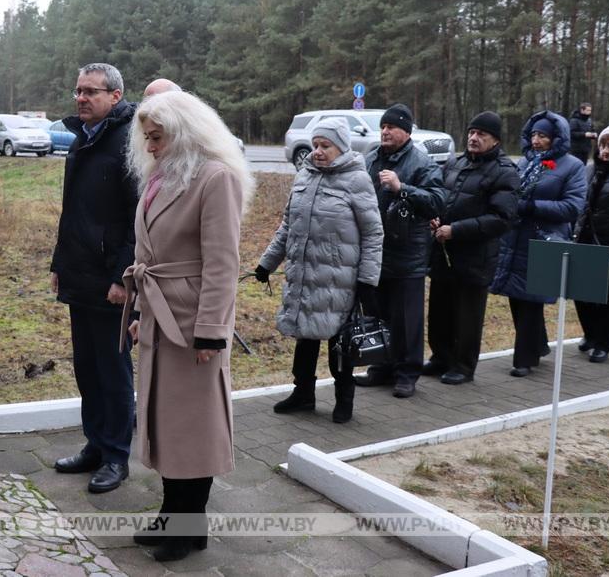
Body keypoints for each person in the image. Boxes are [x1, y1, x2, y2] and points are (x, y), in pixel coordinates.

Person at [122, 91, 253, 562]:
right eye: (147, 139)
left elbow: (222, 263)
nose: (150, 147)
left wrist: (212, 331)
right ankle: (171, 512)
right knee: (166, 425)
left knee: (193, 429)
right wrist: (140, 314)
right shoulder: (161, 177)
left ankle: (189, 523)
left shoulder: (216, 178)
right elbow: (146, 253)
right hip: (160, 318)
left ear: (185, 132)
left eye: (158, 138)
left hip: (193, 323)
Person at [254, 118, 383, 423]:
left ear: (341, 147)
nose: (318, 151)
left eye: (325, 146)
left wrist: (367, 280)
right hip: (304, 275)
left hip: (340, 278)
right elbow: (288, 226)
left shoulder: (357, 180)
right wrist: (266, 263)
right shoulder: (304, 176)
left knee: (339, 343)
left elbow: (373, 233)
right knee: (305, 338)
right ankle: (303, 395)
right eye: (315, 145)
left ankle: (344, 399)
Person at [50, 63, 138, 493]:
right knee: (86, 367)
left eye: (91, 92)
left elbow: (135, 218)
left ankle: (117, 456)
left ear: (115, 96)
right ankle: (95, 445)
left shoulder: (128, 141)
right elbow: (73, 212)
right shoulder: (83, 139)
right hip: (79, 274)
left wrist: (123, 278)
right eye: (78, 90)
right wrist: (58, 264)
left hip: (111, 283)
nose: (81, 98)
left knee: (113, 370)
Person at [355, 104, 446, 398]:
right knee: (378, 314)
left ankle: (407, 373)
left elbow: (436, 202)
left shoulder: (422, 163)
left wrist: (401, 187)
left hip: (408, 254)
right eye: (383, 126)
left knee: (407, 319)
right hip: (374, 252)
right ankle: (380, 367)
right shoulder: (370, 159)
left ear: (406, 131)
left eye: (392, 126)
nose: (385, 131)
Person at [422, 112, 519, 384]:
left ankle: (463, 366)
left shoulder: (505, 171)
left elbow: (502, 219)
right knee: (440, 310)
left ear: (495, 140)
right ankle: (441, 357)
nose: (474, 139)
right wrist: (436, 217)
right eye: (471, 133)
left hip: (475, 256)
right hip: (444, 252)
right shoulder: (456, 163)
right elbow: (443, 196)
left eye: (481, 135)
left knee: (467, 315)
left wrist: (457, 230)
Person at [490, 111, 586, 376]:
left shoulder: (572, 166)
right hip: (515, 238)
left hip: (544, 240)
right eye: (533, 134)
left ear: (556, 138)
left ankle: (524, 359)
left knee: (530, 299)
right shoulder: (524, 163)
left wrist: (531, 206)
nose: (536, 140)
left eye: (543, 135)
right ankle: (538, 345)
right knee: (517, 297)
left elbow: (572, 206)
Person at [574, 124, 609, 363]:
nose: (605, 151)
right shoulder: (590, 170)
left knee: (608, 298)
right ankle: (589, 334)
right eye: (602, 145)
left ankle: (603, 342)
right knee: (581, 292)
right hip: (586, 238)